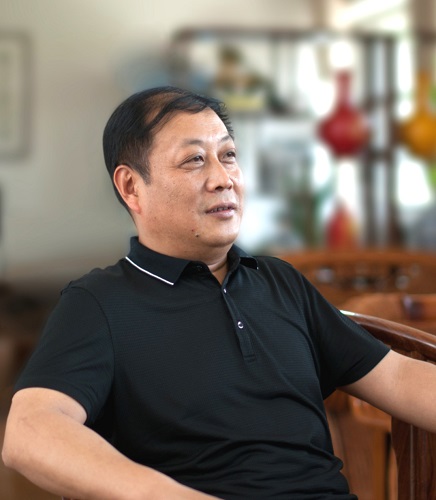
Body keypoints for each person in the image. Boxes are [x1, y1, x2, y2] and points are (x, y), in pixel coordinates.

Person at [2, 86, 436, 500]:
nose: (223, 178)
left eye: (228, 155)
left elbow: (396, 377)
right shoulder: (98, 302)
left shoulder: (279, 282)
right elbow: (30, 430)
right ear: (131, 187)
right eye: (194, 160)